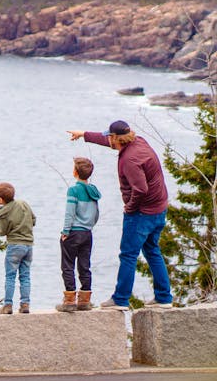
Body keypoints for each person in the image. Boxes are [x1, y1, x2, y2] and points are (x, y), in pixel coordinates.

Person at [67, 120, 173, 308]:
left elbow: (140, 189)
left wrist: (130, 208)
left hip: (142, 213)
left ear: (116, 138)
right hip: (159, 208)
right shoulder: (138, 141)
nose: (108, 139)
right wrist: (84, 134)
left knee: (128, 255)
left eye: (110, 136)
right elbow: (106, 140)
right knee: (152, 250)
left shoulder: (129, 160)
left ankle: (121, 299)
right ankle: (164, 297)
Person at [56, 156, 101, 312]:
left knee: (68, 265)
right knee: (84, 265)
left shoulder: (73, 190)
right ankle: (84, 300)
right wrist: (89, 226)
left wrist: (65, 231)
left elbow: (70, 213)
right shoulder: (94, 191)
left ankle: (69, 300)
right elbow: (96, 214)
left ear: (75, 172)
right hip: (87, 233)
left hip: (74, 232)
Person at [0, 182, 36, 314]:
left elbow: (0, 231)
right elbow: (33, 219)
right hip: (28, 245)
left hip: (15, 245)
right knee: (25, 276)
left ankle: (8, 305)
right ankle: (25, 304)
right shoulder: (23, 204)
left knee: (10, 276)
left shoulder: (4, 213)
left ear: (0, 199)